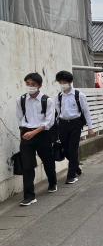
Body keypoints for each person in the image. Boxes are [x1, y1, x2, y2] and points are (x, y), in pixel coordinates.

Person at [16, 72, 57, 206]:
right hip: (27, 134)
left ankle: (52, 182)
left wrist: (34, 132)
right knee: (27, 165)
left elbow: (49, 122)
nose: (30, 87)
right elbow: (20, 118)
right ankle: (29, 196)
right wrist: (25, 132)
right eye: (28, 84)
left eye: (33, 84)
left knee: (48, 160)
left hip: (42, 134)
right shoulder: (21, 100)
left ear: (39, 85)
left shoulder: (47, 100)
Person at [55, 70, 95, 185]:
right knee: (65, 149)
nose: (62, 84)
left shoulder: (79, 95)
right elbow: (58, 112)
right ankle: (76, 167)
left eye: (64, 82)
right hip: (63, 124)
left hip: (75, 124)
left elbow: (86, 112)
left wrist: (91, 128)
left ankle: (71, 176)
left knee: (72, 149)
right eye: (60, 82)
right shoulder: (58, 97)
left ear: (70, 82)